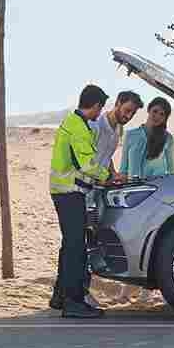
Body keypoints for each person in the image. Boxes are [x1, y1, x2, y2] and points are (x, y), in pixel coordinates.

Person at [48, 84, 115, 318]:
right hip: (69, 193)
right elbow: (87, 164)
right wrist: (110, 177)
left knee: (70, 245)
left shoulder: (74, 122)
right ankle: (73, 303)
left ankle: (60, 296)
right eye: (100, 108)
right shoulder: (79, 127)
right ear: (96, 105)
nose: (100, 114)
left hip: (65, 191)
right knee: (77, 248)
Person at [84, 91, 142, 279]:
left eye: (132, 113)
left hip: (101, 187)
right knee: (84, 236)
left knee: (97, 234)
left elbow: (106, 156)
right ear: (117, 103)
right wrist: (100, 178)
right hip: (85, 187)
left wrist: (114, 174)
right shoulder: (96, 125)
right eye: (127, 110)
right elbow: (86, 158)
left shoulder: (119, 130)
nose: (128, 116)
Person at [121, 97, 174, 179]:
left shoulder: (167, 138)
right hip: (133, 187)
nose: (157, 116)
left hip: (157, 188)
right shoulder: (130, 135)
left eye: (162, 114)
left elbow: (171, 170)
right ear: (148, 110)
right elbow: (123, 168)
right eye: (155, 111)